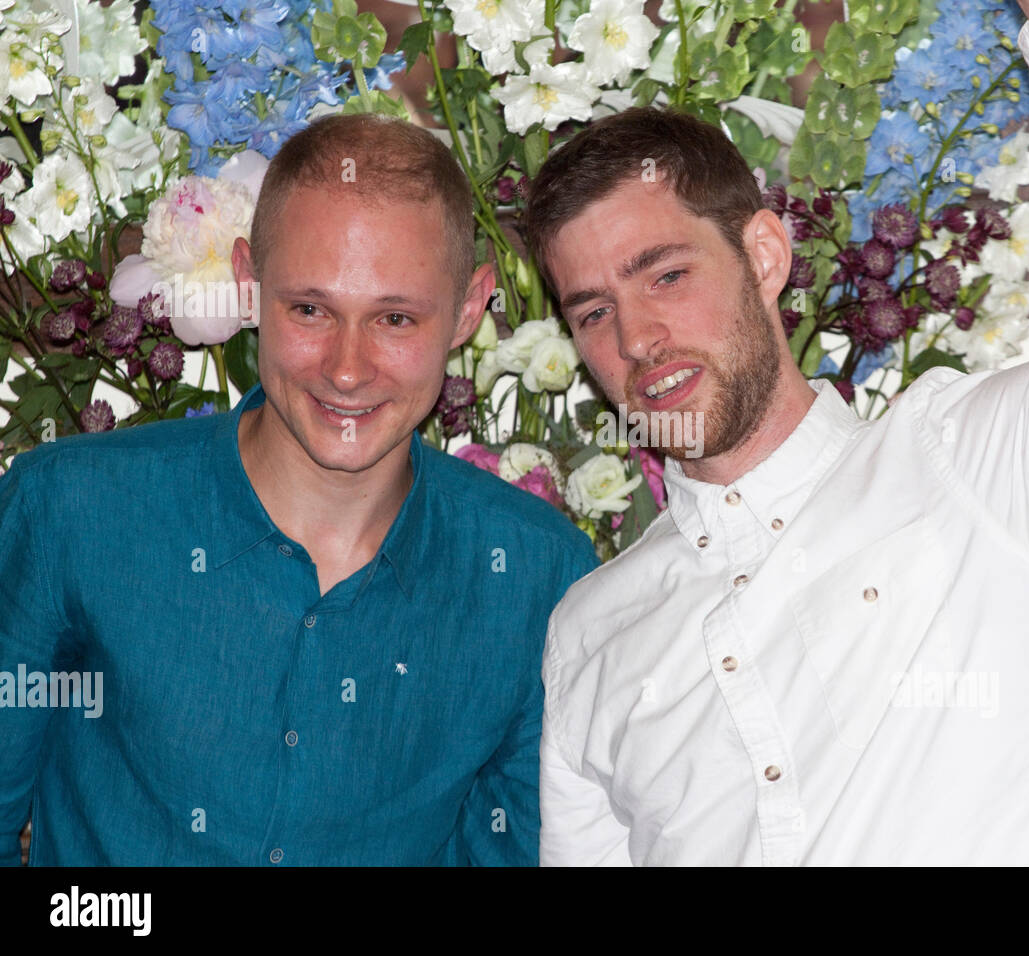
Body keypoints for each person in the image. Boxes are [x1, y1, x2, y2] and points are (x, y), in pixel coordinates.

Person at [522, 0, 1029, 865]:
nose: (636, 339)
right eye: (592, 311)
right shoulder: (590, 629)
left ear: (766, 257)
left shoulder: (977, 470)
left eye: (665, 275)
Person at [0, 113, 599, 866]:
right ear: (249, 287)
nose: (347, 370)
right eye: (310, 310)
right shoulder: (70, 511)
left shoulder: (537, 576)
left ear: (470, 310)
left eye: (395, 318)